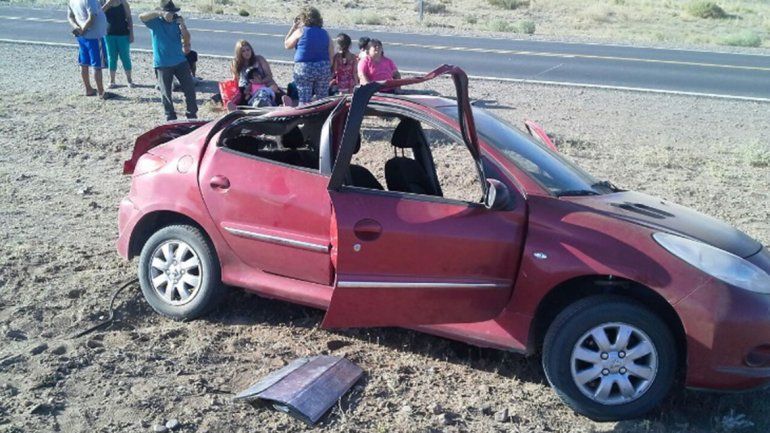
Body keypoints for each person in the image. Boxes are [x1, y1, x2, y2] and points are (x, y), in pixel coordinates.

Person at [139, 0, 197, 121]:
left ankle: (192, 114)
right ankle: (170, 116)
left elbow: (187, 39)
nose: (171, 15)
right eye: (169, 12)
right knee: (166, 93)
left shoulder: (177, 22)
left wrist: (183, 25)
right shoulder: (155, 23)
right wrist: (159, 13)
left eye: (173, 12)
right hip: (163, 63)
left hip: (180, 61)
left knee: (190, 88)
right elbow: (141, 17)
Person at [284, 6, 334, 105]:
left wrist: (293, 28)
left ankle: (305, 116)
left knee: (304, 98)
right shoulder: (325, 33)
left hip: (304, 68)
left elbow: (287, 45)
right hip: (322, 67)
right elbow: (331, 53)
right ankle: (322, 116)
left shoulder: (300, 31)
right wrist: (328, 67)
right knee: (323, 98)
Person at [67, 0, 109, 98]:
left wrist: (77, 27)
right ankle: (101, 92)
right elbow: (92, 17)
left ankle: (88, 89)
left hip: (82, 37)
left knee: (84, 63)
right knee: (97, 65)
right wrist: (83, 29)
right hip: (94, 36)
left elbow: (70, 16)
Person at [230, 39, 287, 107]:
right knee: (240, 96)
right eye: (243, 51)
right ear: (239, 53)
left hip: (263, 85)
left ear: (251, 50)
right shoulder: (236, 63)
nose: (246, 52)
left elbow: (269, 75)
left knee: (273, 90)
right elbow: (235, 80)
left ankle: (281, 103)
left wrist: (260, 82)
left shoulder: (259, 59)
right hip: (246, 89)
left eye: (248, 50)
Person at [102, 0, 134, 88]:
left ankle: (129, 80)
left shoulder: (124, 3)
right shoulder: (104, 2)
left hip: (123, 34)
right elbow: (99, 14)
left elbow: (129, 18)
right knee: (111, 57)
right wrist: (108, 4)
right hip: (109, 34)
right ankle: (112, 81)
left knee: (125, 57)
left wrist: (131, 33)